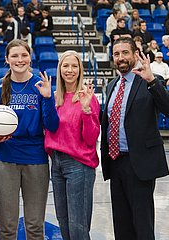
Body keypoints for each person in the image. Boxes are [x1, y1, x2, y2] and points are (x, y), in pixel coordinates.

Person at [101, 37, 169, 240]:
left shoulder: (151, 80)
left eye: (125, 52)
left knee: (142, 225)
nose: (120, 58)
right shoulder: (111, 86)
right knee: (121, 223)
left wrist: (152, 80)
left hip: (140, 164)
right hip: (115, 162)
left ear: (136, 54)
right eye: (116, 54)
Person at [0, 39, 59, 240]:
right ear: (7, 59)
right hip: (5, 159)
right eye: (15, 56)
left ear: (30, 57)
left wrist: (47, 98)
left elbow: (52, 126)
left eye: (24, 55)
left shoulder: (40, 84)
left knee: (35, 226)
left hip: (36, 159)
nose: (20, 60)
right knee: (7, 226)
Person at [44, 51, 100, 240]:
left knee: (78, 226)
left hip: (79, 165)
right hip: (57, 164)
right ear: (59, 69)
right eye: (65, 66)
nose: (69, 70)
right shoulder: (54, 98)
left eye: (74, 66)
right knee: (64, 221)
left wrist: (86, 110)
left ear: (80, 70)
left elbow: (92, 138)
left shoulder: (87, 97)